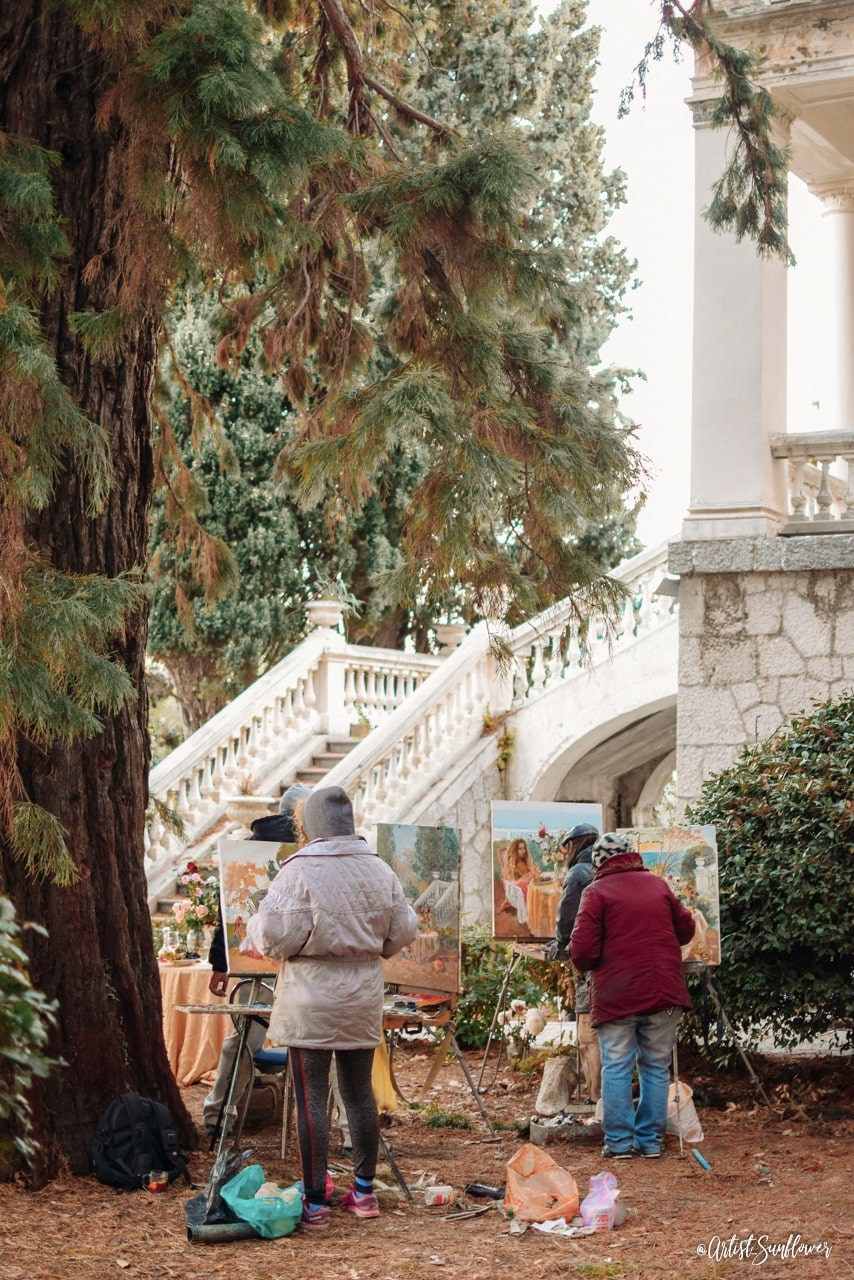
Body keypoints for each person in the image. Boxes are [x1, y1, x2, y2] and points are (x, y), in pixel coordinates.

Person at [242, 785, 418, 1229]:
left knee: (312, 1097)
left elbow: (273, 937)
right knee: (359, 1094)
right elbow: (403, 930)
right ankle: (363, 1192)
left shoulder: (298, 870)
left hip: (310, 997)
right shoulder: (379, 870)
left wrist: (256, 925)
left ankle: (315, 1201)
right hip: (361, 995)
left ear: (311, 824)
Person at [570, 832, 695, 1159]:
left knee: (617, 1066)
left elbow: (582, 951)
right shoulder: (658, 885)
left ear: (598, 861)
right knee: (655, 1066)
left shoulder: (595, 891)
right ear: (632, 855)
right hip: (664, 991)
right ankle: (650, 1143)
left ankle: (621, 1143)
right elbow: (686, 930)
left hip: (618, 995)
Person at [202, 783, 310, 1137]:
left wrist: (221, 963)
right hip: (307, 963)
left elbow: (227, 912)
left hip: (255, 962)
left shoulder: (248, 849)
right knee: (322, 1042)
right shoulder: (312, 849)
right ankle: (341, 1131)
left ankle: (218, 1116)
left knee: (245, 1036)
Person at [545, 822, 601, 1102]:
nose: (564, 851)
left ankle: (595, 1095)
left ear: (575, 845)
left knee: (588, 1034)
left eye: (566, 845)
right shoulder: (606, 868)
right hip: (615, 961)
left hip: (589, 960)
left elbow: (567, 917)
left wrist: (560, 943)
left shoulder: (579, 872)